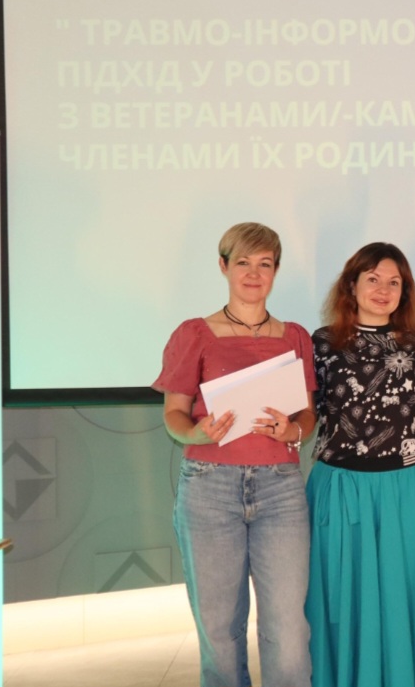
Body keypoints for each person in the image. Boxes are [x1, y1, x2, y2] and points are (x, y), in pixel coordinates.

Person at [152, 222, 316, 687]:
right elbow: (174, 416)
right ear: (223, 266)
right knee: (220, 631)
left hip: (281, 490)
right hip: (210, 488)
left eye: (265, 264)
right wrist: (197, 432)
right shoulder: (194, 334)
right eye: (243, 262)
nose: (254, 273)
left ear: (276, 271)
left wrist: (292, 430)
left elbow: (307, 416)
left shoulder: (295, 336)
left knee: (288, 631)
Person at [305, 242, 415, 687]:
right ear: (351, 285)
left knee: (401, 594)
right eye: (373, 279)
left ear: (404, 292)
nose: (383, 289)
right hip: (341, 489)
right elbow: (304, 409)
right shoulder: (323, 343)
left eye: (394, 282)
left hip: (405, 490)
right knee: (343, 596)